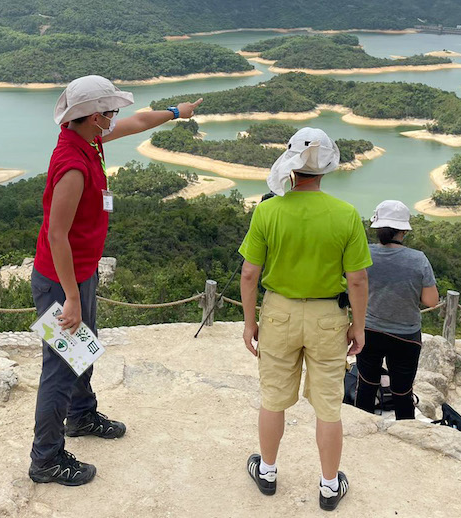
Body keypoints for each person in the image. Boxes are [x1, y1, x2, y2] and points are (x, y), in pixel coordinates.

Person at [28, 75, 202, 487]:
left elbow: (139, 122)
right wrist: (70, 296)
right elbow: (57, 235)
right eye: (111, 111)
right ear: (92, 116)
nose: (116, 117)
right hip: (59, 281)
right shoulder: (72, 165)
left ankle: (82, 415)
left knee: (82, 353)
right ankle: (45, 460)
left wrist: (177, 113)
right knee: (59, 367)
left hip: (80, 272)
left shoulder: (89, 139)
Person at [238, 128, 371, 512]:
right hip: (329, 317)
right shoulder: (345, 215)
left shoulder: (268, 210)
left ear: (291, 165)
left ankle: (267, 471)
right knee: (329, 406)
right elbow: (358, 279)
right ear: (327, 167)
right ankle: (330, 487)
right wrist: (358, 326)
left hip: (278, 311)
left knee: (273, 399)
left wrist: (250, 323)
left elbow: (249, 273)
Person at [352, 200, 439, 421]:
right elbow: (431, 301)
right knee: (402, 392)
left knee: (366, 385)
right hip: (406, 336)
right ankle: (406, 432)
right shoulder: (418, 259)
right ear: (403, 230)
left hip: (369, 330)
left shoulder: (364, 254)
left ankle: (363, 427)